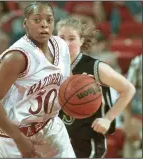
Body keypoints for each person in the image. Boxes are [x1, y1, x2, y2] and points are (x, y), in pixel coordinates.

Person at [0, 2, 76, 158]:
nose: (44, 25)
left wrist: (81, 87)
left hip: (47, 125)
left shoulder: (61, 46)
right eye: (37, 20)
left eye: (49, 20)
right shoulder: (17, 57)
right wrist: (18, 139)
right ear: (25, 24)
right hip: (9, 135)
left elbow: (68, 82)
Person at [56, 17, 136, 158]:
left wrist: (108, 118)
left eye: (72, 38)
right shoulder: (50, 66)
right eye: (61, 37)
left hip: (87, 140)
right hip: (58, 136)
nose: (66, 43)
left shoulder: (95, 67)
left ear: (81, 41)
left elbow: (128, 89)